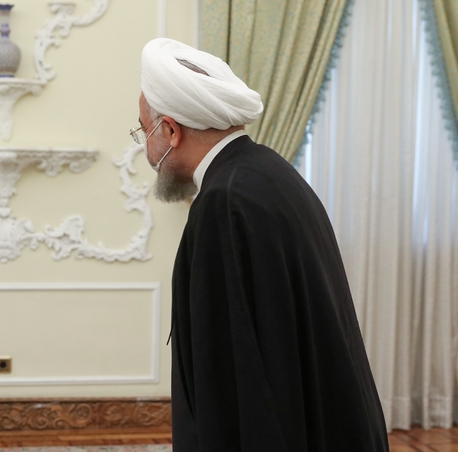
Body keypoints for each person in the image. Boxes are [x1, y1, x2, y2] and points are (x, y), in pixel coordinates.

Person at [136, 38, 388, 451]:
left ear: (170, 130)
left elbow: (234, 373)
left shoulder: (224, 201)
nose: (146, 149)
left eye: (143, 131)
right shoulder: (266, 171)